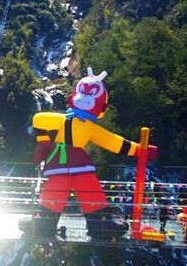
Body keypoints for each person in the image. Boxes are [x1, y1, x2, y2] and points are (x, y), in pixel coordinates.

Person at [24, 67, 158, 241]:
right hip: (76, 161)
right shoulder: (72, 122)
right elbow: (111, 141)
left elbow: (38, 119)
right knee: (83, 188)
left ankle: (46, 224)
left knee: (69, 189)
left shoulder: (68, 120)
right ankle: (97, 224)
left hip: (61, 161)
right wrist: (139, 150)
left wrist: (139, 149)